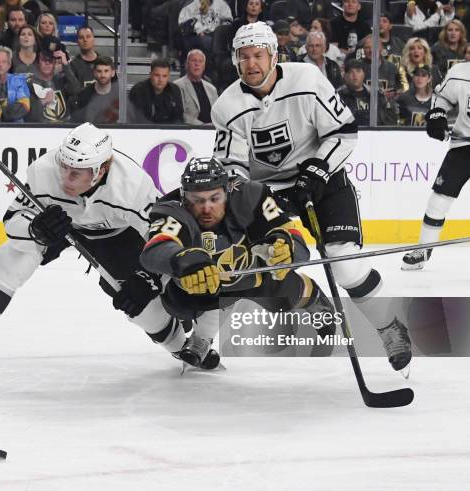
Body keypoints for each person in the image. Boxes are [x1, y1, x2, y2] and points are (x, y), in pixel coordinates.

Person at [210, 22, 412, 372]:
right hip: (269, 192)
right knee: (263, 263)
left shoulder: (307, 79)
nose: (252, 64)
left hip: (323, 177)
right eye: (244, 57)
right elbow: (233, 168)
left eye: (259, 55)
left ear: (274, 55)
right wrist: (250, 200)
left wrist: (316, 171)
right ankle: (314, 302)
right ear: (235, 60)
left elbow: (344, 132)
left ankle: (389, 326)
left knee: (344, 263)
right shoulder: (226, 106)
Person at [0, 123, 181, 375]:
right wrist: (35, 227)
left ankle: (180, 345)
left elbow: (164, 238)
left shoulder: (132, 186)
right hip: (63, 223)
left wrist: (149, 279)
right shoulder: (44, 170)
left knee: (135, 298)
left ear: (101, 170)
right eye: (64, 167)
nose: (65, 178)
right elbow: (12, 219)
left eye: (76, 173)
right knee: (15, 257)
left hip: (117, 235)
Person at [140, 157, 337, 367]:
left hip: (252, 274)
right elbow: (154, 250)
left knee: (282, 295)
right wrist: (184, 261)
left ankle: (316, 300)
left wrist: (284, 247)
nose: (207, 208)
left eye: (214, 198)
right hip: (206, 285)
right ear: (184, 196)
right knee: (177, 303)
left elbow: (299, 249)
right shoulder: (172, 208)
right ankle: (201, 335)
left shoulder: (250, 195)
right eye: (197, 200)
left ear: (227, 190)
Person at [402, 61, 470, 270]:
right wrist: (437, 115)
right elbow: (442, 97)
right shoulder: (460, 72)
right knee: (439, 198)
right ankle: (424, 249)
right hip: (465, 144)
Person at [25, 48, 81, 122]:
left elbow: (76, 90)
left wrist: (65, 65)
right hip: (41, 129)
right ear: (38, 63)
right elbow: (28, 116)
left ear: (55, 63)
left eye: (50, 60)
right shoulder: (30, 84)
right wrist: (44, 101)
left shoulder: (61, 80)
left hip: (64, 128)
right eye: (44, 60)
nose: (47, 63)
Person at [337, 58, 398, 126]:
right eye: (351, 72)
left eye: (358, 71)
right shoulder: (338, 96)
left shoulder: (376, 95)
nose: (355, 75)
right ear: (345, 76)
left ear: (364, 74)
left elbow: (386, 120)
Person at [128, 58, 184, 124]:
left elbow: (178, 118)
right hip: (144, 131)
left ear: (169, 76)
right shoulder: (138, 90)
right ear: (150, 74)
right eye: (157, 75)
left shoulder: (174, 90)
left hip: (169, 131)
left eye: (164, 76)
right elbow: (138, 119)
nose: (160, 80)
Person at [173, 49, 218, 125]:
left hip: (212, 130)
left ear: (204, 66)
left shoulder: (211, 89)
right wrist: (203, 126)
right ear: (187, 64)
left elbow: (218, 113)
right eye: (194, 60)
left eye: (200, 61)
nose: (197, 64)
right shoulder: (177, 86)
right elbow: (182, 115)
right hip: (191, 130)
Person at [0, 45, 30, 122]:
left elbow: (24, 107)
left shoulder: (18, 81)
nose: (0, 65)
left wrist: (0, 111)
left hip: (18, 129)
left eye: (4, 62)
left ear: (9, 65)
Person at [72, 55, 119, 124]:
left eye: (106, 71)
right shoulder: (84, 95)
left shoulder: (120, 95)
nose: (102, 75)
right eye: (99, 71)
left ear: (112, 73)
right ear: (94, 73)